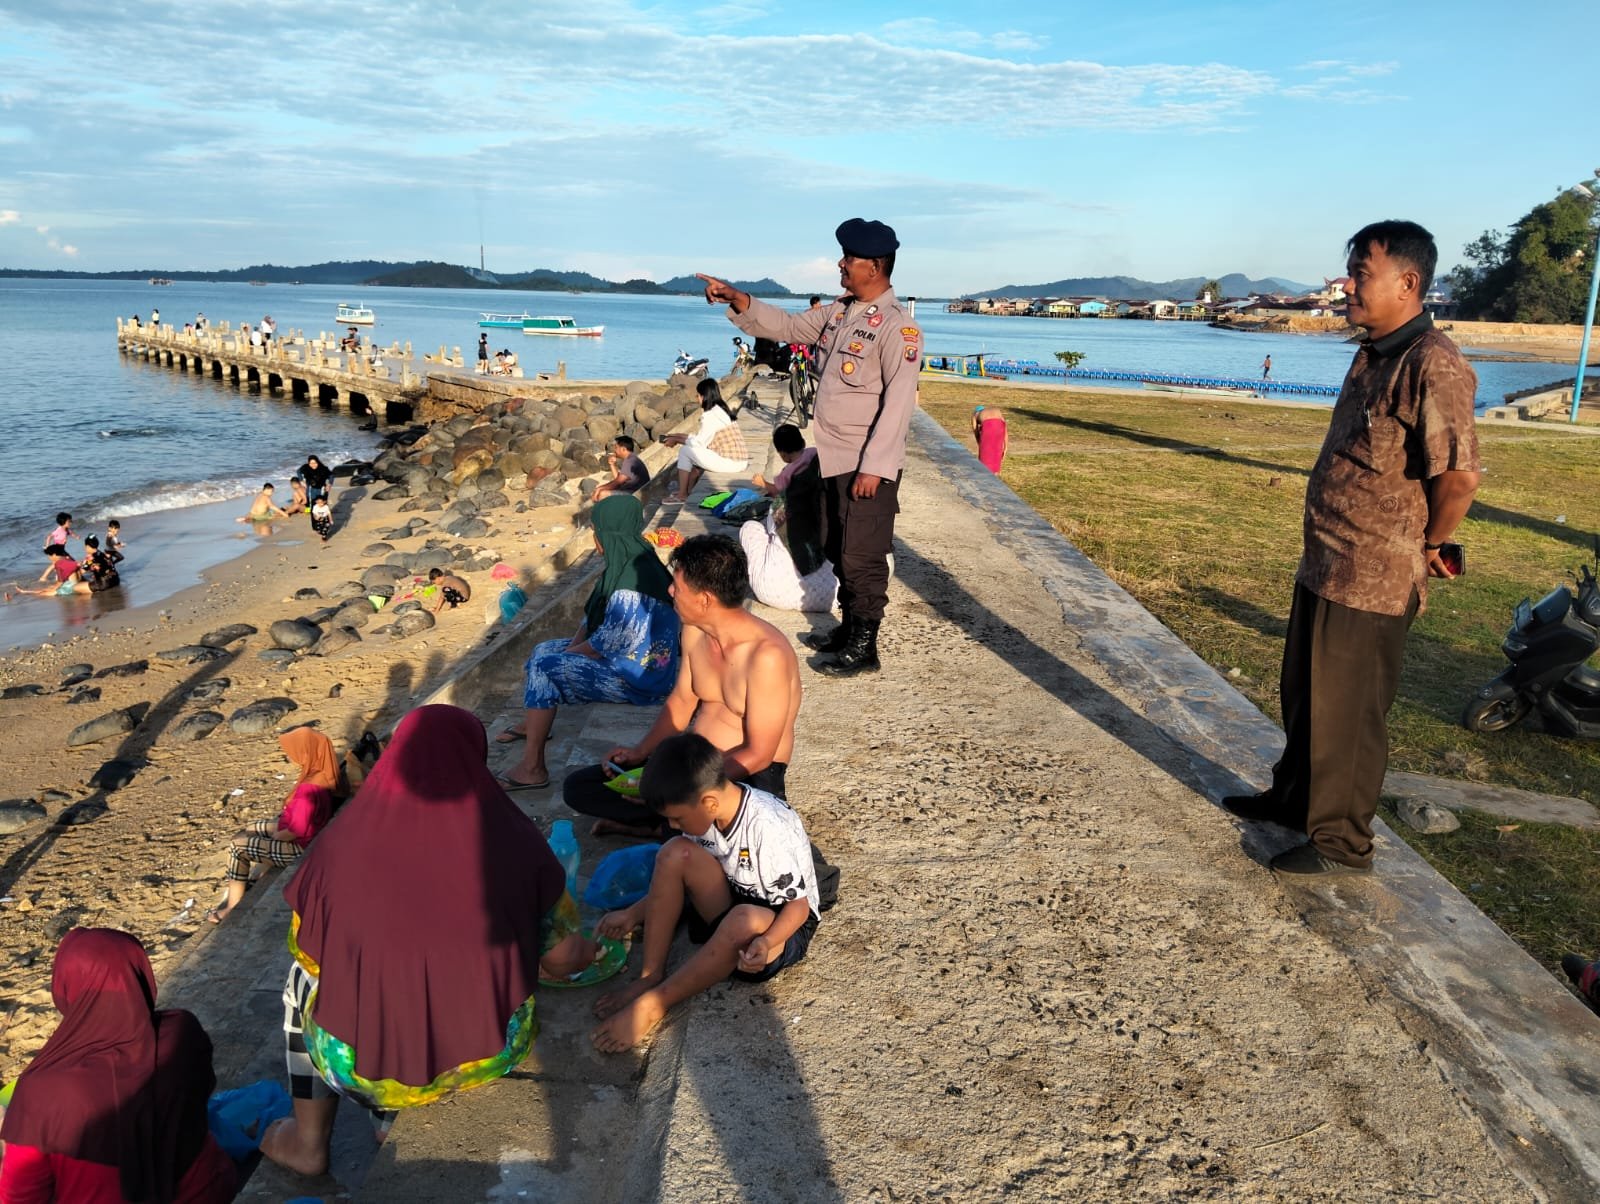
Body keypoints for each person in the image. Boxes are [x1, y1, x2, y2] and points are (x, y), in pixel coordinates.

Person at [1221, 221, 1480, 876]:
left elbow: (1459, 475)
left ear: (1408, 283)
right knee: (1307, 694)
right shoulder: (1377, 351)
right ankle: (1294, 801)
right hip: (1328, 561)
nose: (1349, 287)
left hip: (1375, 572)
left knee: (1351, 710)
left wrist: (1432, 545)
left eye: (1362, 273)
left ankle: (1341, 843)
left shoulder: (1433, 362)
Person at [258, 705, 599, 1178]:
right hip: (487, 1052)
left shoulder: (339, 848)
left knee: (302, 980)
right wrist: (589, 949)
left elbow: (311, 956)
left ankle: (313, 1140)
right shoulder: (515, 841)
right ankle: (388, 1116)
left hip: (358, 1069)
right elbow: (562, 960)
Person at [700, 216, 921, 676]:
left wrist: (874, 469)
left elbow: (898, 405)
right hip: (834, 458)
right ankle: (847, 627)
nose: (842, 265)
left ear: (876, 266)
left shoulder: (897, 329)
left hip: (865, 465)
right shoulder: (841, 312)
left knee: (862, 554)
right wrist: (740, 299)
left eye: (851, 258)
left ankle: (865, 645)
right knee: (837, 546)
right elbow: (787, 325)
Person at [589, 732, 820, 1052]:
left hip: (780, 929)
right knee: (673, 852)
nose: (674, 824)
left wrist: (767, 942)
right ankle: (650, 975)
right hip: (735, 900)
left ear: (709, 802)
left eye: (677, 817)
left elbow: (799, 909)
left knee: (743, 918)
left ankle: (656, 1003)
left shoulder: (767, 826)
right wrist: (632, 914)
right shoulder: (707, 813)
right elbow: (679, 870)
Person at [563, 533, 801, 837]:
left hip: (746, 774)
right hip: (690, 762)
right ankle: (665, 822)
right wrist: (639, 753)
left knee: (705, 846)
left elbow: (760, 753)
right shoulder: (694, 630)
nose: (670, 590)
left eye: (678, 586)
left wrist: (681, 788)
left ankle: (662, 826)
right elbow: (682, 701)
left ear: (704, 599)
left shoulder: (766, 656)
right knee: (580, 788)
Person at [0, 928, 237, 1203]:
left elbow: (22, 1196)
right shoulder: (184, 1032)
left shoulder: (41, 1092)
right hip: (208, 1190)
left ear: (64, 986)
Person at [499, 494, 680, 790]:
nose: (594, 535)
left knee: (546, 667)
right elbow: (591, 620)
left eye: (597, 529)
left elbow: (605, 644)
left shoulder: (633, 582)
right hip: (625, 659)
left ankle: (533, 768)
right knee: (543, 649)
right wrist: (569, 649)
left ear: (609, 531)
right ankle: (535, 724)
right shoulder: (629, 557)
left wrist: (569, 656)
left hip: (638, 678)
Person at [205, 729, 339, 925]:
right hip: (313, 834)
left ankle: (232, 906)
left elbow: (296, 831)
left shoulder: (307, 790)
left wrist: (274, 837)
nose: (290, 755)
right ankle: (252, 874)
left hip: (300, 848)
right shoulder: (323, 772)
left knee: (237, 847)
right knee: (251, 828)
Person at [742, 424, 837, 613]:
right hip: (833, 598)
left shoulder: (781, 506)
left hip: (771, 592)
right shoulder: (831, 510)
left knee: (751, 527)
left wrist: (764, 484)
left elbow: (776, 492)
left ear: (783, 454)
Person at [660, 378, 748, 500]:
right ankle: (687, 491)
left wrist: (676, 440)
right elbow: (703, 438)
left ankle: (682, 494)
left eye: (698, 396)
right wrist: (677, 436)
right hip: (738, 460)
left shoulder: (710, 415)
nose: (697, 399)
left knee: (685, 451)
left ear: (703, 396)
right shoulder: (721, 410)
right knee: (692, 453)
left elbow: (698, 444)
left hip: (730, 462)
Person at [592, 436, 650, 501]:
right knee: (604, 490)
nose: (614, 450)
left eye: (616, 448)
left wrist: (599, 488)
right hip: (635, 491)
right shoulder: (631, 458)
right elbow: (618, 479)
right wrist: (612, 465)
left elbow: (618, 482)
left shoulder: (630, 461)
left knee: (603, 494)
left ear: (623, 449)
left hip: (637, 495)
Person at [972, 403, 1008, 473]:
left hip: (988, 425)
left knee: (985, 455)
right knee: (996, 451)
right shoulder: (995, 411)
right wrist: (1006, 446)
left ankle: (984, 473)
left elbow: (976, 432)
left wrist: (980, 444)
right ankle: (995, 474)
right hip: (999, 425)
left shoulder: (975, 414)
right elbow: (1005, 429)